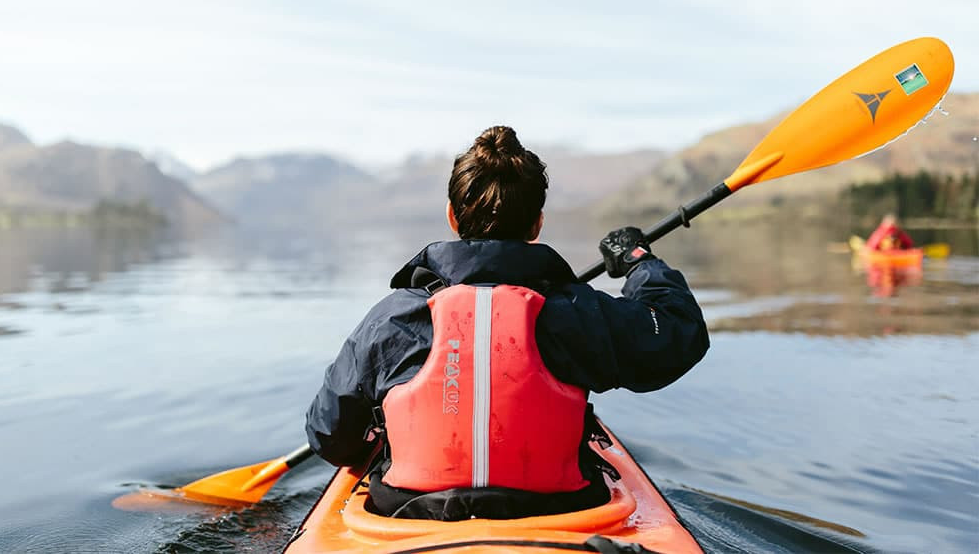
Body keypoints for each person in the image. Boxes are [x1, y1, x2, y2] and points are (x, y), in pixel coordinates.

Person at [304, 126, 709, 520]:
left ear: (452, 217)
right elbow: (679, 330)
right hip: (560, 514)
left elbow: (330, 439)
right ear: (537, 223)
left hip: (408, 513)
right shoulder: (577, 313)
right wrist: (638, 262)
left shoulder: (390, 319)